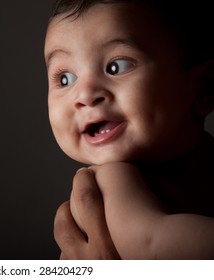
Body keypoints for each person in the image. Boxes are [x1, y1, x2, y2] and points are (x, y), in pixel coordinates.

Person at [44, 0, 214, 259]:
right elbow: (151, 245)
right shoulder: (113, 179)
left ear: (203, 90)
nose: (85, 94)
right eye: (65, 78)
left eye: (117, 66)